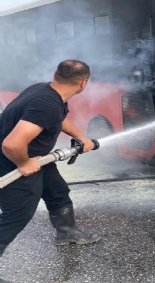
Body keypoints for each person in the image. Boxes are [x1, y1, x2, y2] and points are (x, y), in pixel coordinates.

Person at [0, 60, 101, 257]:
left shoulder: (46, 92)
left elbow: (58, 117)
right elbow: (12, 144)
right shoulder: (46, 104)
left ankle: (67, 233)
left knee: (57, 192)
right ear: (83, 82)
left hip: (36, 158)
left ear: (57, 75)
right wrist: (23, 163)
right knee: (18, 215)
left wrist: (80, 136)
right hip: (12, 160)